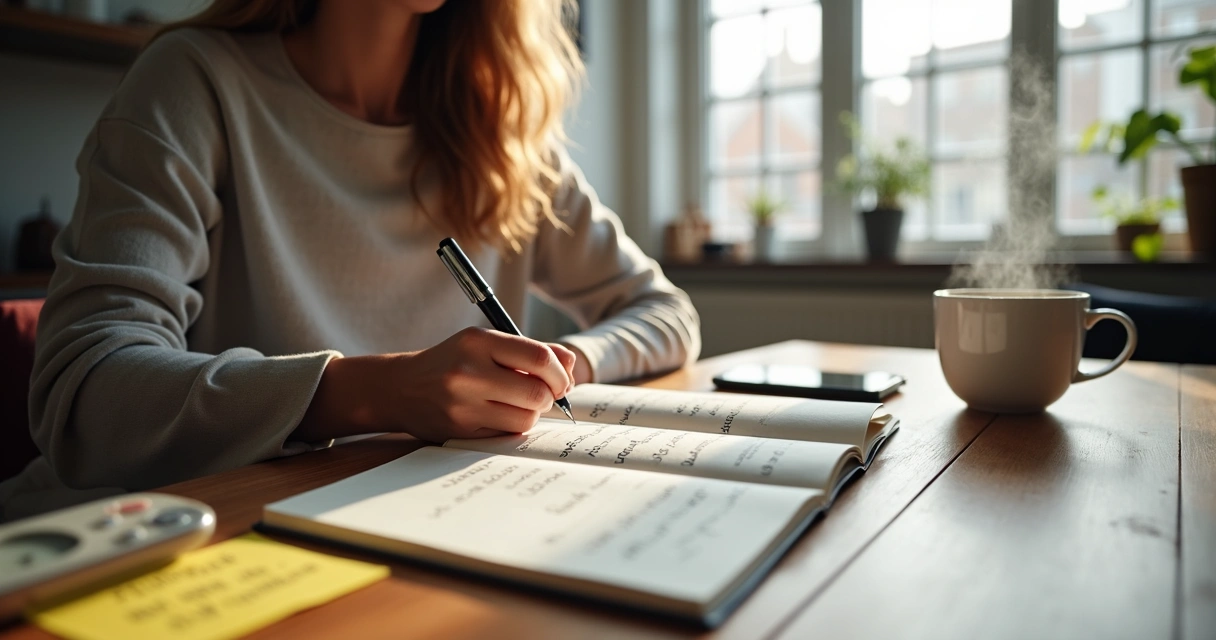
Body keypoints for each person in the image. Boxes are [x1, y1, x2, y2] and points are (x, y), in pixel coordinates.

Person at [0, 0, 700, 521]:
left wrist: (556, 366)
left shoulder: (502, 134)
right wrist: (373, 390)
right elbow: (83, 394)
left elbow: (667, 313)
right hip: (173, 532)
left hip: (407, 519)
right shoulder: (196, 82)